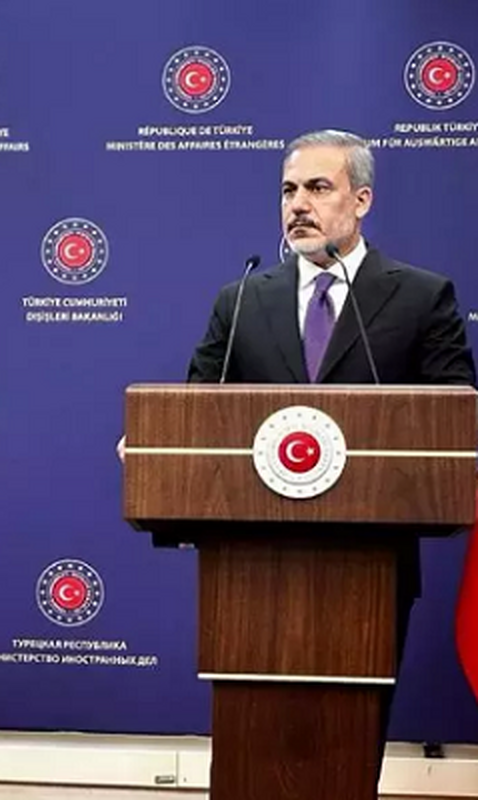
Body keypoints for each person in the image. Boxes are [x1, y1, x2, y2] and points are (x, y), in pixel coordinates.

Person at [186, 129, 476, 765]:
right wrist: (163, 444)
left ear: (362, 199)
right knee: (254, 749)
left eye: (318, 188)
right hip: (254, 562)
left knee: (344, 748)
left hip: (370, 562)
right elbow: (196, 412)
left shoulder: (422, 297)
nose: (298, 204)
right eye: (289, 190)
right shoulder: (242, 299)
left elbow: (455, 419)